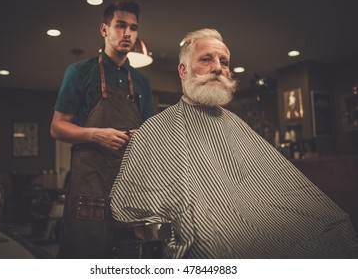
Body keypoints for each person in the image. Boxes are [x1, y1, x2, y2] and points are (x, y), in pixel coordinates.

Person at [110, 28, 358, 258]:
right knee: (219, 246)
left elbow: (275, 186)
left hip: (261, 219)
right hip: (213, 233)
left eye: (224, 61)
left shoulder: (235, 124)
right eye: (206, 59)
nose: (217, 67)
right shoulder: (155, 129)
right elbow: (134, 203)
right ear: (183, 70)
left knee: (334, 225)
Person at [50, 0, 154, 258]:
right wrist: (96, 134)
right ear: (104, 29)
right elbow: (57, 127)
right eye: (120, 25)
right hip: (90, 185)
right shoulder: (79, 72)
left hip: (130, 184)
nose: (127, 33)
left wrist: (142, 137)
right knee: (85, 253)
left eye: (133, 27)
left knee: (129, 255)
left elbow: (151, 134)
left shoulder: (142, 82)